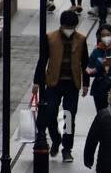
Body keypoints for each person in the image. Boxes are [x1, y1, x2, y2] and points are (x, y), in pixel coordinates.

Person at [32, 9, 91, 163]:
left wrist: (86, 84)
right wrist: (37, 82)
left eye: (72, 27)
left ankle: (67, 149)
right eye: (67, 26)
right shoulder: (50, 38)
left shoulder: (81, 39)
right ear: (61, 25)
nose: (69, 30)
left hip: (72, 84)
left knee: (69, 117)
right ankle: (56, 139)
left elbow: (85, 62)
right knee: (49, 114)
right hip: (53, 82)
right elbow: (42, 60)